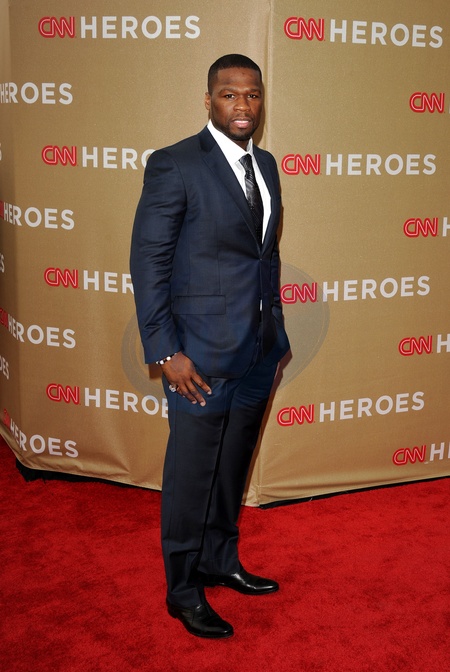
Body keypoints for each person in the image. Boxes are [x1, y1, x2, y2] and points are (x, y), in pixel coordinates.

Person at [130, 54, 290, 639]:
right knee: (191, 475)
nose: (243, 106)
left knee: (230, 470)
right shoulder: (174, 164)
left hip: (257, 351)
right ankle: (182, 589)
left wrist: (274, 329)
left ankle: (221, 560)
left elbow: (262, 254)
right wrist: (165, 351)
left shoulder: (265, 164)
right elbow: (149, 261)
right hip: (196, 357)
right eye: (229, 95)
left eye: (252, 95)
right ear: (208, 100)